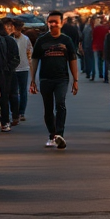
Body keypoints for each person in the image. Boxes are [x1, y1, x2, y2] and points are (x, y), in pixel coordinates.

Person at [30, 11, 79, 149]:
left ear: (61, 23)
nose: (53, 24)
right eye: (50, 22)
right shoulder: (42, 40)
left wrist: (75, 80)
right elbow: (35, 59)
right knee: (48, 108)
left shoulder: (66, 40)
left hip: (62, 78)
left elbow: (72, 60)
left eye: (55, 22)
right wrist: (32, 79)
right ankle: (52, 135)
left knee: (60, 103)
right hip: (45, 78)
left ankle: (59, 135)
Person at [9, 18, 33, 124]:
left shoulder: (26, 39)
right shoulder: (10, 39)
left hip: (23, 68)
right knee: (14, 92)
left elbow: (29, 52)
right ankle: (15, 111)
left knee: (23, 91)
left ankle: (21, 112)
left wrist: (30, 65)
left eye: (18, 30)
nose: (16, 32)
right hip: (13, 68)